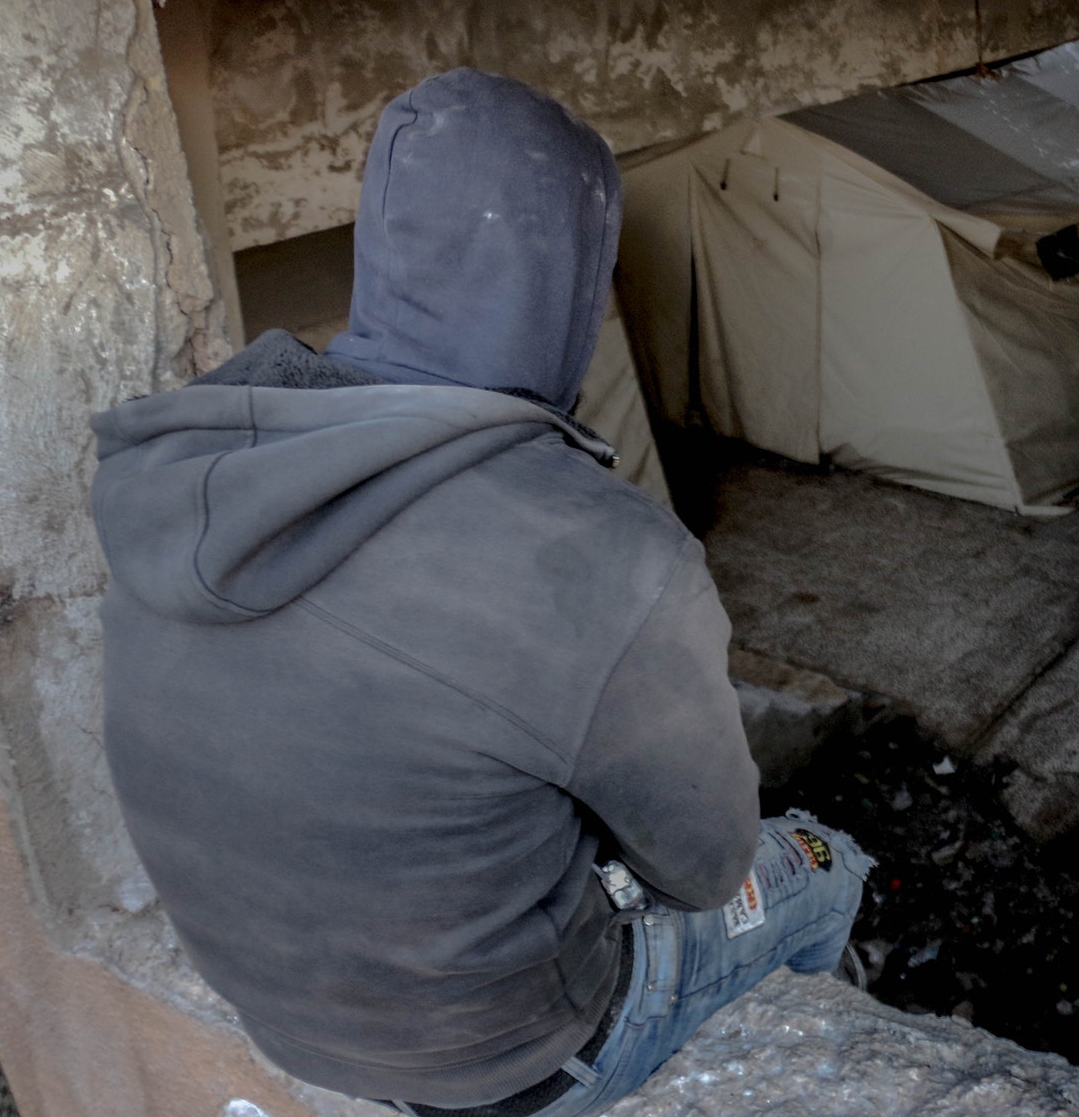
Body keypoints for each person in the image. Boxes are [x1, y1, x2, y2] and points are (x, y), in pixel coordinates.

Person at [90, 68, 870, 1117]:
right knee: (819, 861)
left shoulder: (183, 465)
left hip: (278, 1013)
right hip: (510, 1061)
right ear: (570, 281)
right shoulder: (599, 548)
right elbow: (704, 858)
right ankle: (834, 1012)